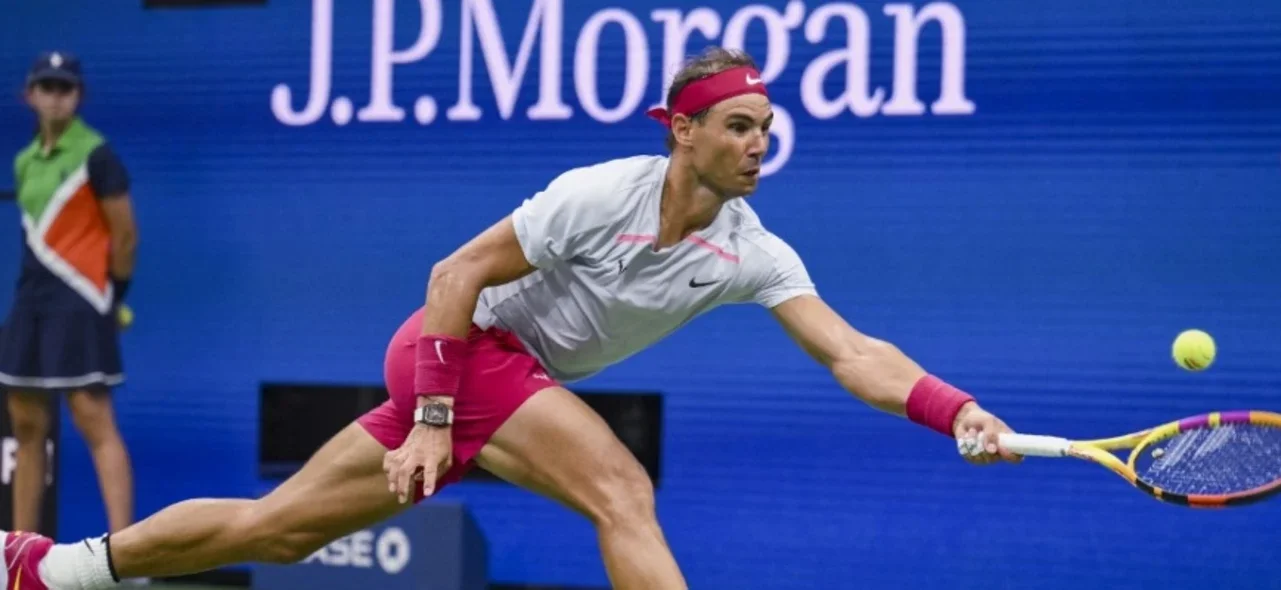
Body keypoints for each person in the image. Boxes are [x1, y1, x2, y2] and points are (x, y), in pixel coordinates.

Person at [0, 47, 1020, 590]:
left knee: (277, 534)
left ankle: (56, 565)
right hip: (456, 352)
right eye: (739, 126)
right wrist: (439, 413)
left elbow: (851, 351)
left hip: (493, 386)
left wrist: (953, 406)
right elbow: (455, 273)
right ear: (682, 131)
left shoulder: (754, 249)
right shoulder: (600, 193)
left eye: (766, 126)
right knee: (622, 484)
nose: (760, 143)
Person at [0, 52, 139, 541]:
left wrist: (110, 295)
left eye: (66, 88)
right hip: (30, 304)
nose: (56, 97)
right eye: (47, 87)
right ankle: (19, 554)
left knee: (93, 420)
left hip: (80, 304)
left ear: (78, 96)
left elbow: (124, 236)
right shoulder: (21, 162)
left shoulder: (97, 155)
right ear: (29, 95)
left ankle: (124, 553)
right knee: (27, 425)